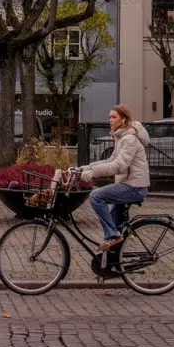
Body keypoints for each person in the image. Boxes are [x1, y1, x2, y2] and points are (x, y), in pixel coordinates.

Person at [73, 104, 150, 250]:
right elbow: (110, 160)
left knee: (96, 196)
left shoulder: (130, 139)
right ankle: (112, 263)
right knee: (115, 224)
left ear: (123, 119)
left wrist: (93, 173)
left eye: (114, 117)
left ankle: (112, 235)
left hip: (134, 187)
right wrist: (89, 167)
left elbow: (119, 165)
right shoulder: (122, 137)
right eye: (109, 117)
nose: (110, 120)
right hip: (128, 184)